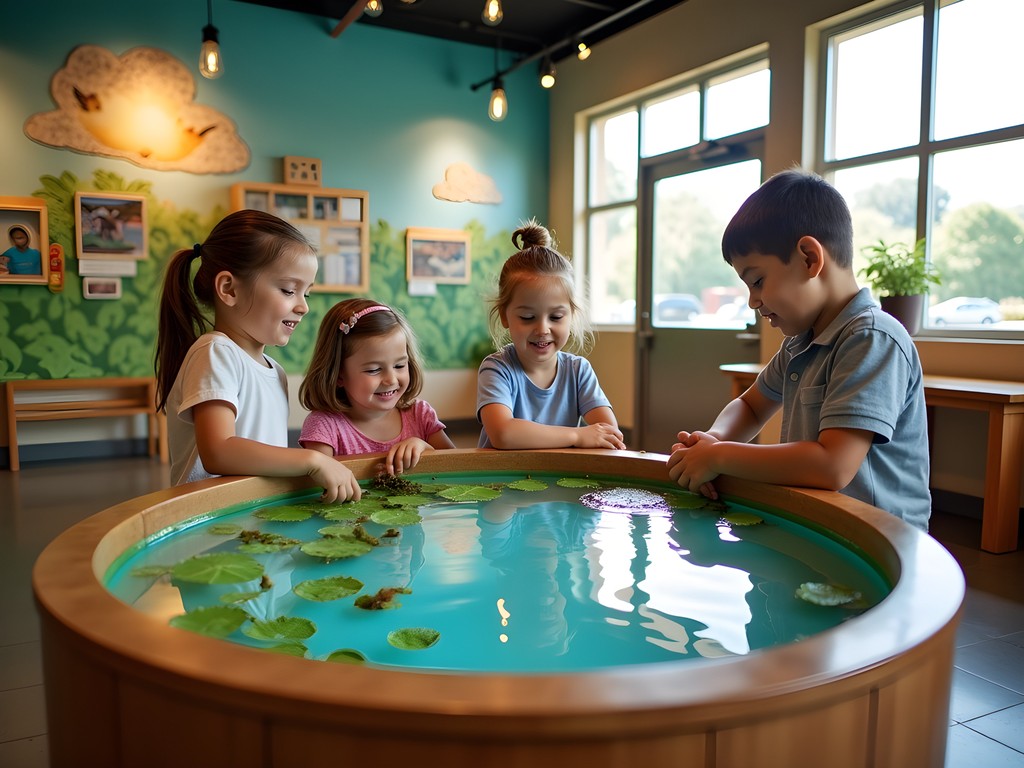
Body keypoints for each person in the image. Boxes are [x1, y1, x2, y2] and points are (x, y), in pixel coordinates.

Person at [667, 168, 931, 531]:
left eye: (758, 280)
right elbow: (751, 405)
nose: (753, 301)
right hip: (823, 523)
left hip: (879, 537)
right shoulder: (799, 343)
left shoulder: (872, 337)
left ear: (809, 259)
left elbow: (832, 465)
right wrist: (714, 438)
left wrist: (720, 456)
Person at [155, 209, 361, 502]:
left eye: (306, 294)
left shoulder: (275, 371)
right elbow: (218, 451)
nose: (303, 306)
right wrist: (312, 460)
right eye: (288, 290)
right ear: (229, 289)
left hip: (252, 515)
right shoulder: (216, 352)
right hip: (214, 519)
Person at [476, 219, 625, 450]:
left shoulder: (578, 371)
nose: (543, 329)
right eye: (528, 317)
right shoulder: (497, 369)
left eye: (555, 317)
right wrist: (577, 436)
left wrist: (590, 436)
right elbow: (503, 434)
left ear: (571, 316)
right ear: (505, 316)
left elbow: (609, 432)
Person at [298, 298, 455, 474]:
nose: (391, 380)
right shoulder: (324, 426)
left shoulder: (420, 415)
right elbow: (318, 484)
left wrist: (425, 448)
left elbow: (460, 467)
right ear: (338, 375)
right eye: (374, 370)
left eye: (399, 366)